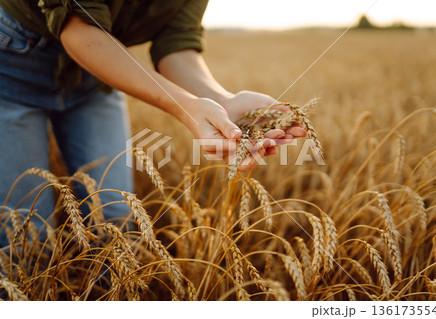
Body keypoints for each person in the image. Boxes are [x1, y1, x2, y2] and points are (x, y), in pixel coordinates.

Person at [0, 0, 305, 246]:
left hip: (98, 77)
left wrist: (220, 100)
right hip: (11, 69)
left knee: (116, 219)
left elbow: (176, 45)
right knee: (25, 232)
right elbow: (79, 29)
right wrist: (186, 107)